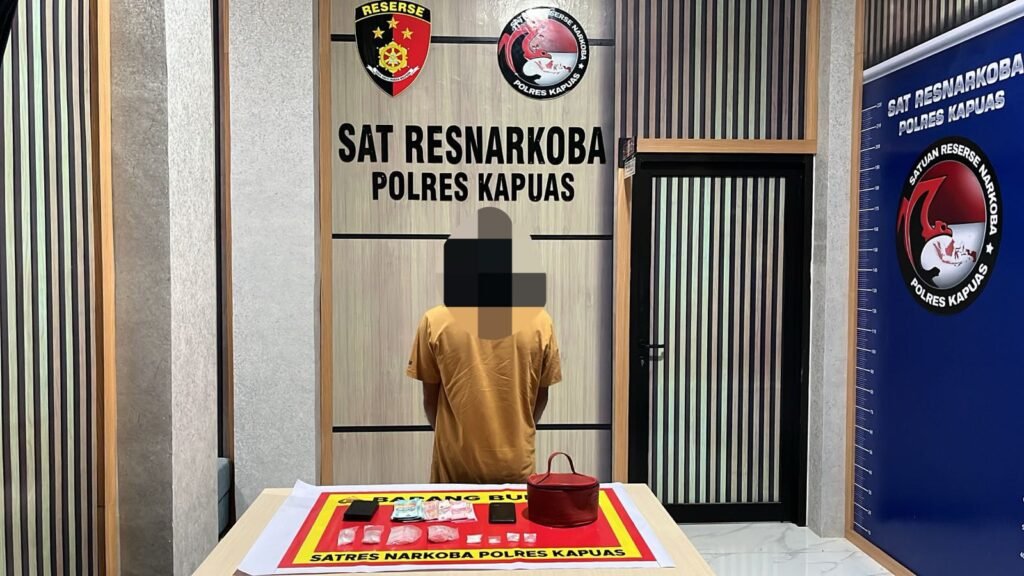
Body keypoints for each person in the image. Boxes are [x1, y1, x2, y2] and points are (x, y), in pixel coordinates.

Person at [406, 208, 561, 484]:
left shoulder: (435, 320)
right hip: (516, 467)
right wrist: (516, 433)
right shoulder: (540, 321)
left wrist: (454, 440)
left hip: (454, 469)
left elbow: (430, 399)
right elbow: (540, 397)